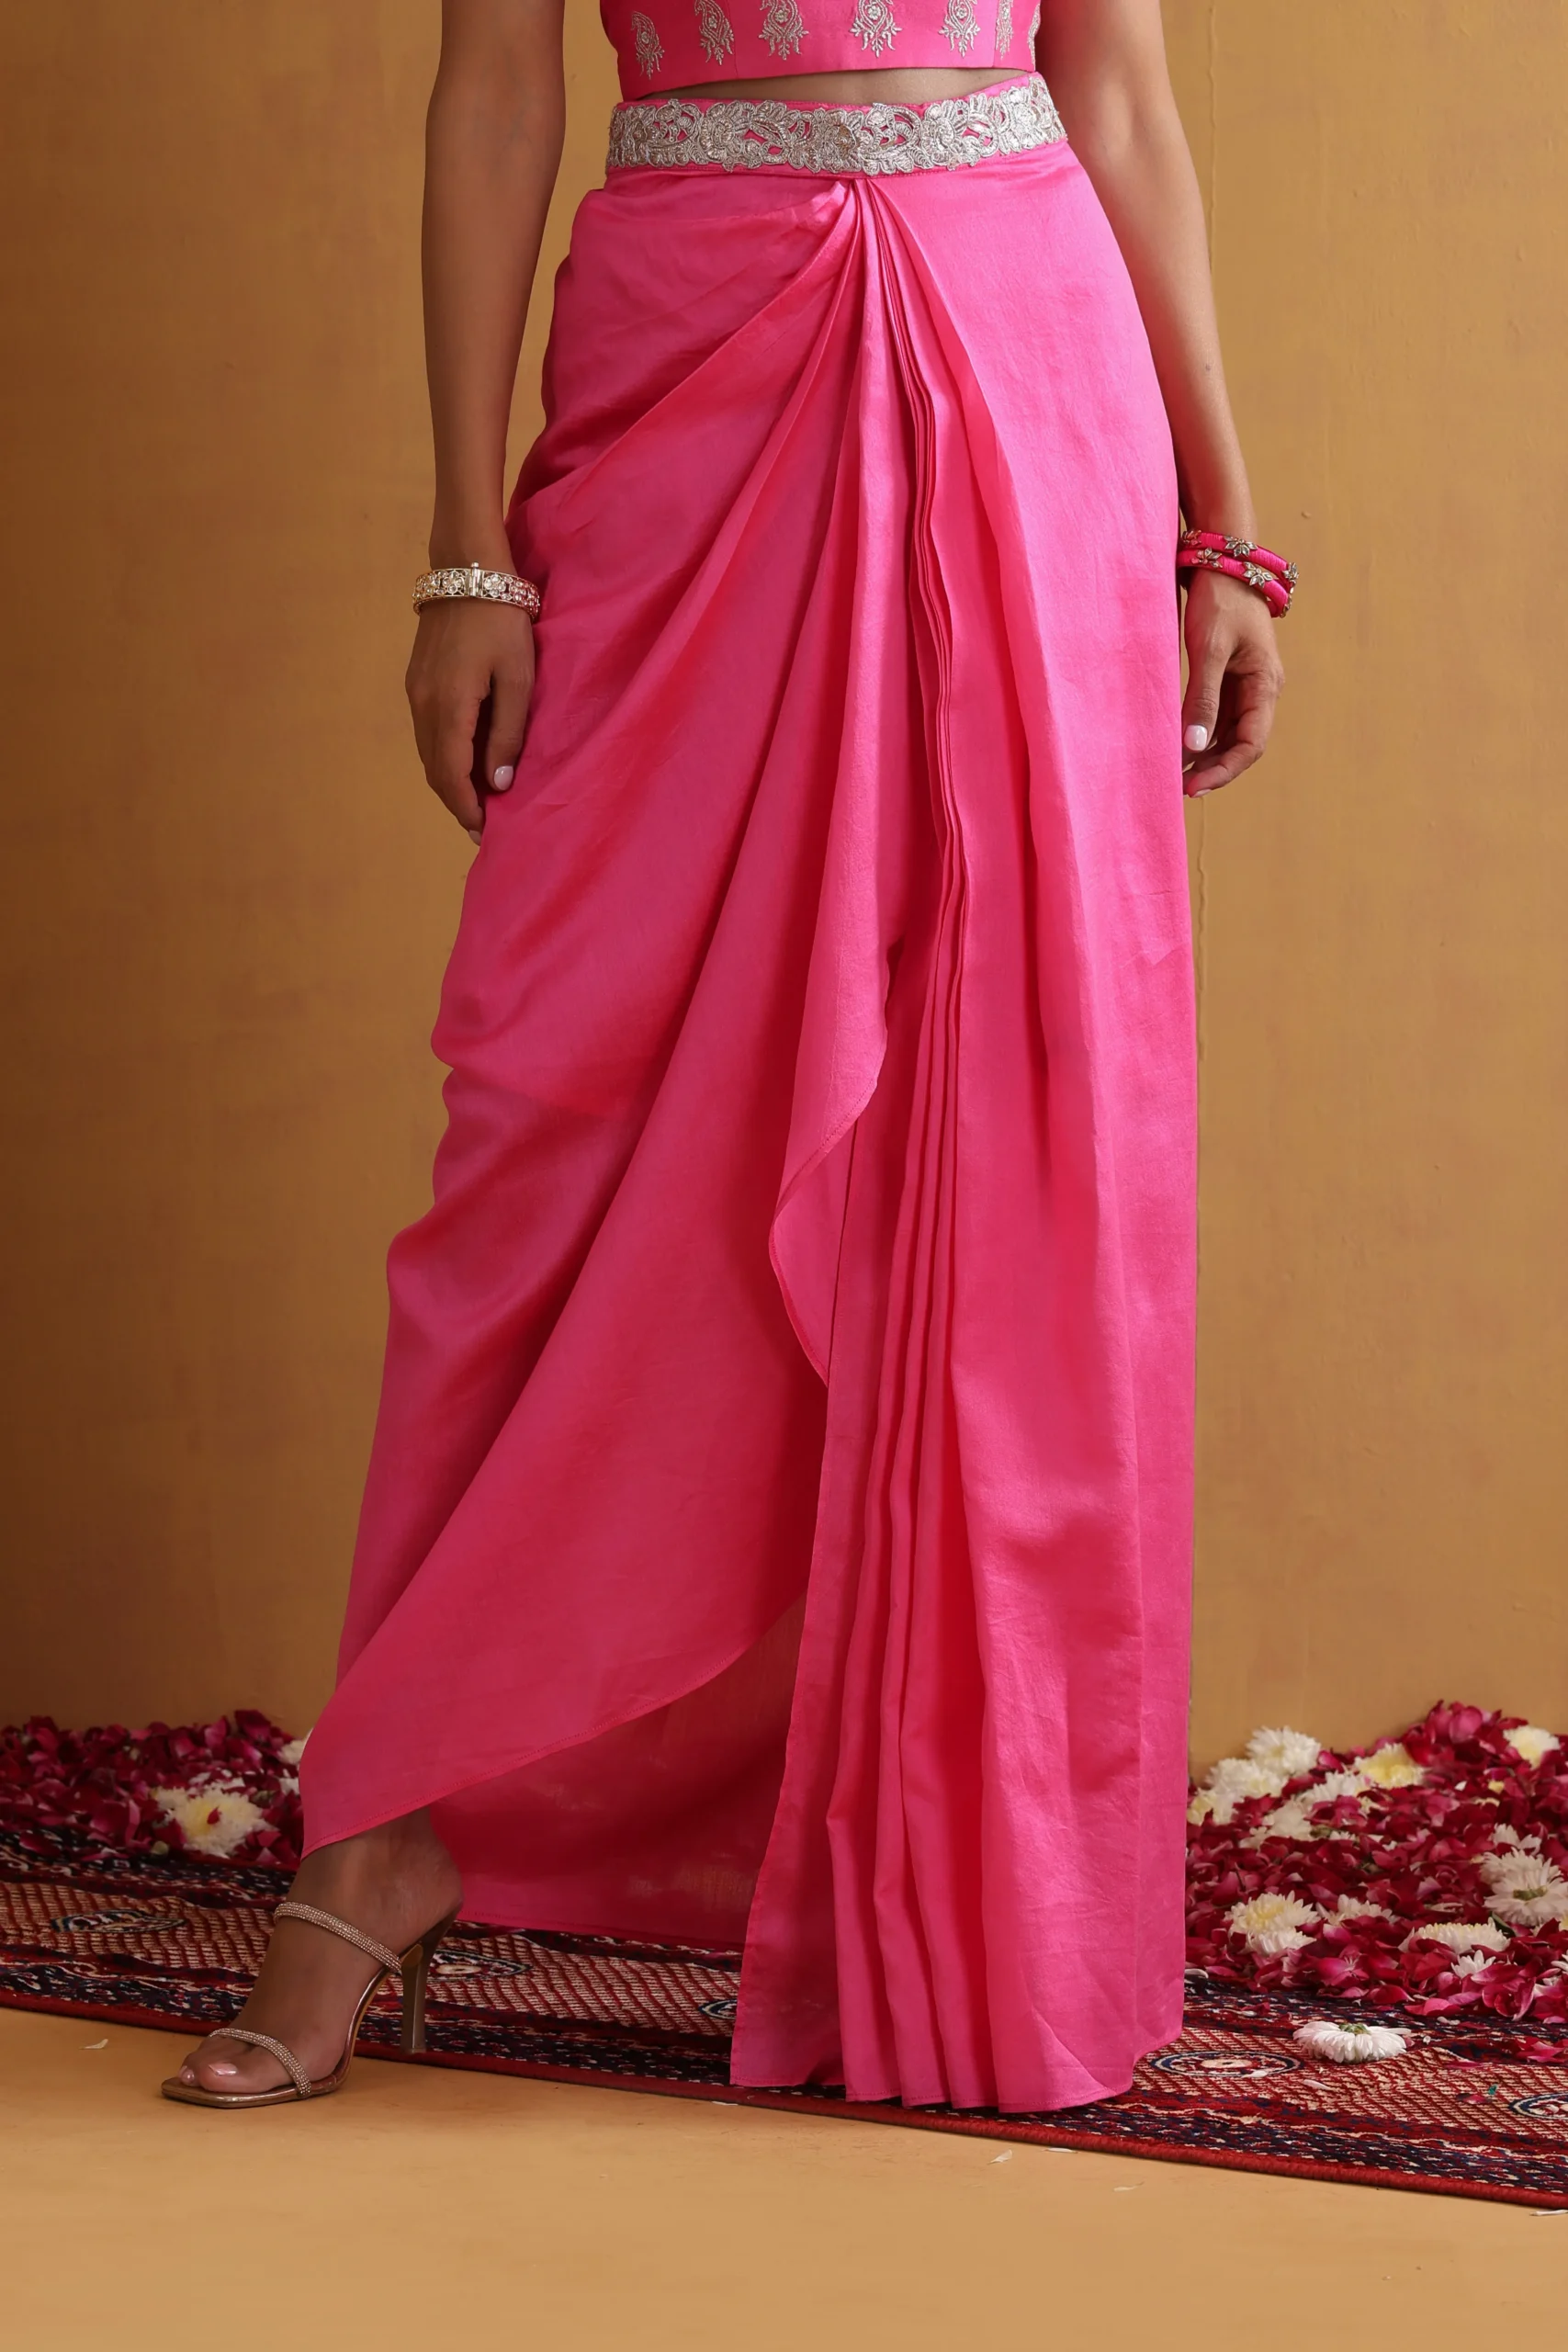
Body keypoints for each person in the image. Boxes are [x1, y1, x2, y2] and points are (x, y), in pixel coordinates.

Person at [166, 0, 1287, 2111]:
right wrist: (467, 549)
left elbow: (1121, 94)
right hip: (689, 371)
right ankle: (390, 1826)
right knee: (552, 1103)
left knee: (1005, 1118)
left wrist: (1220, 524)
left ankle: (946, 1873)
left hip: (1024, 369)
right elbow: (494, 93)